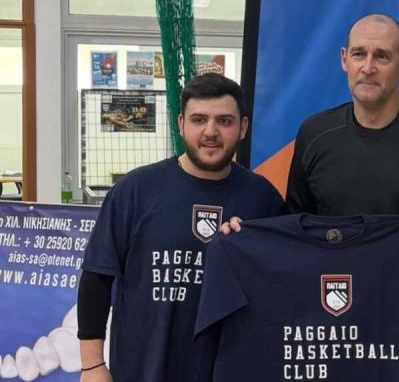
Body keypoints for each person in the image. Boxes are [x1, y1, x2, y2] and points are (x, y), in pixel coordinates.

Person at [76, 73, 284, 382]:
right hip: (143, 370)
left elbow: (279, 291)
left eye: (224, 121)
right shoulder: (135, 191)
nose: (210, 132)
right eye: (199, 120)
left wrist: (247, 249)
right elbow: (96, 278)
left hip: (231, 371)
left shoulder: (263, 199)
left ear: (242, 127)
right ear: (181, 124)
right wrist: (92, 366)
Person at [227, 13, 399, 245]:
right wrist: (244, 232)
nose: (368, 68)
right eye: (359, 54)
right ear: (344, 59)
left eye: (382, 56)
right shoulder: (314, 133)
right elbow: (295, 227)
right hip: (332, 278)